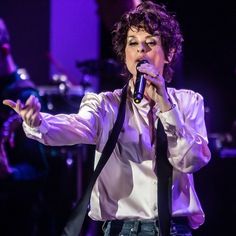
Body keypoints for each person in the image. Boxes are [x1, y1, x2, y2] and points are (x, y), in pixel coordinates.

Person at [3, 1, 211, 236]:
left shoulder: (188, 103)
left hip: (175, 229)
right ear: (125, 54)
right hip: (121, 230)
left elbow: (192, 161)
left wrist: (165, 106)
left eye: (150, 43)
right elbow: (75, 126)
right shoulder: (105, 106)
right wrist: (37, 122)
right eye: (133, 43)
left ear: (169, 53)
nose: (141, 50)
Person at [0, 18, 48, 236]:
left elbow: (40, 168)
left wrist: (9, 173)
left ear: (4, 50)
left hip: (16, 218)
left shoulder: (24, 96)